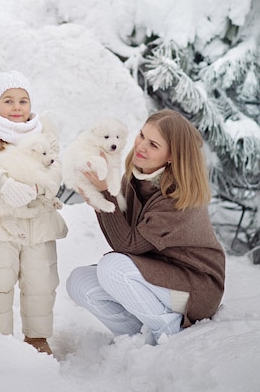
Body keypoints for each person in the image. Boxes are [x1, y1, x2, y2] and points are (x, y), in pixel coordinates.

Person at [66, 109, 225, 345]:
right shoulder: (136, 178)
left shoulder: (177, 197)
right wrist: (101, 202)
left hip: (194, 288)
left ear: (172, 156)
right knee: (79, 282)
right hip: (157, 274)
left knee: (112, 268)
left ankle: (171, 334)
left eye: (153, 144)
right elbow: (123, 231)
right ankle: (138, 341)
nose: (140, 146)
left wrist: (103, 194)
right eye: (142, 135)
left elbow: (127, 244)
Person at [0, 70, 67, 356]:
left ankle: (37, 339)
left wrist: (39, 187)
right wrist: (5, 184)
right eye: (8, 101)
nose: (17, 107)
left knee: (41, 285)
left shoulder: (45, 135)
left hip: (38, 223)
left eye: (23, 100)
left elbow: (55, 170)